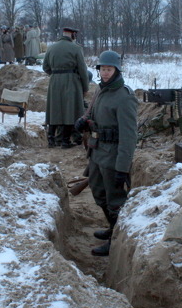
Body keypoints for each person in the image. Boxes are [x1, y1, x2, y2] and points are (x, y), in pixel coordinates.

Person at [74, 50, 138, 257]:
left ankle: (116, 240)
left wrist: (122, 167)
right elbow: (92, 113)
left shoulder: (125, 97)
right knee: (99, 194)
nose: (105, 73)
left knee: (115, 201)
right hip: (97, 151)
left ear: (117, 70)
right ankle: (113, 228)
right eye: (102, 69)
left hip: (113, 157)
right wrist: (84, 120)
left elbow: (129, 137)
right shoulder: (100, 91)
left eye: (109, 69)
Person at [42, 27, 89, 148]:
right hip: (71, 80)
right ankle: (65, 141)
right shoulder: (76, 48)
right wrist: (85, 86)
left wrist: (55, 74)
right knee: (70, 110)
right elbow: (82, 70)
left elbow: (45, 67)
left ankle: (51, 140)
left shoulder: (51, 47)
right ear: (72, 34)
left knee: (54, 110)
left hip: (54, 81)